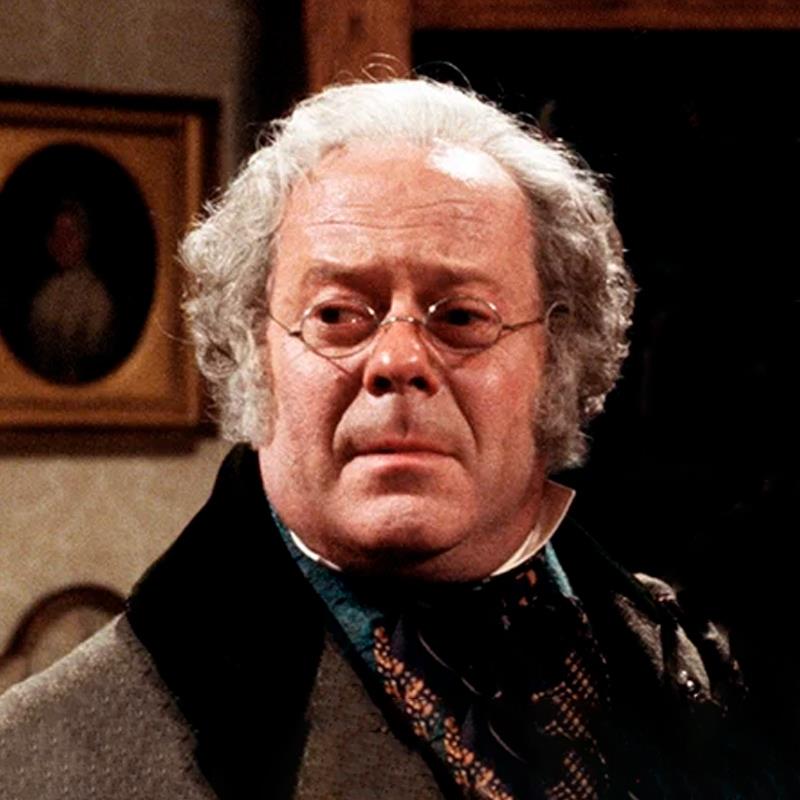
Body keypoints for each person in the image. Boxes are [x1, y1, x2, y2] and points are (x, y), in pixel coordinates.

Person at [0, 78, 786, 799]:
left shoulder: (688, 670)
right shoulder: (42, 761)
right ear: (253, 354)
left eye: (463, 317)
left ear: (558, 360)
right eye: (338, 315)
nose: (398, 361)